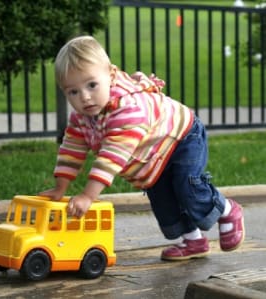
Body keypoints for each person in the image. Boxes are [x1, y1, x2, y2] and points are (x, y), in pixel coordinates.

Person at [40, 35, 245, 261]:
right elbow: (71, 148)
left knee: (188, 187)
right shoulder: (82, 116)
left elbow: (111, 157)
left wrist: (88, 196)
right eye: (73, 92)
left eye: (91, 85)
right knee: (163, 199)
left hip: (181, 137)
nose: (85, 97)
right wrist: (60, 187)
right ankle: (194, 241)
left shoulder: (127, 109)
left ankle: (227, 210)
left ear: (110, 75)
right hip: (152, 155)